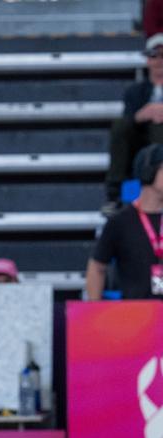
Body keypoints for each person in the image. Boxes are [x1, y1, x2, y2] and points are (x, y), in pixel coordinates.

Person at [89, 143, 163, 300]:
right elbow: (97, 267)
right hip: (135, 317)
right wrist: (93, 312)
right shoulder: (120, 222)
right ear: (149, 172)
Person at [105, 34, 163, 214]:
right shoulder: (135, 91)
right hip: (139, 145)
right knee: (121, 129)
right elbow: (127, 120)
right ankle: (119, 196)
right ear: (147, 59)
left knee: (158, 129)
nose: (160, 60)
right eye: (155, 55)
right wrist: (142, 115)